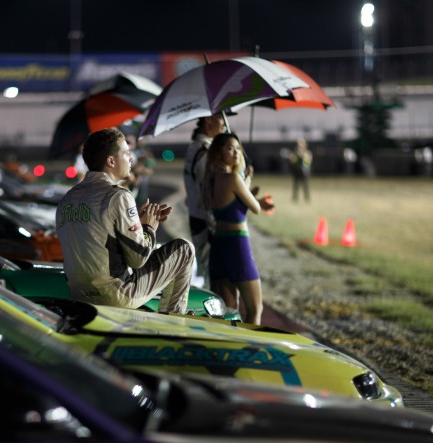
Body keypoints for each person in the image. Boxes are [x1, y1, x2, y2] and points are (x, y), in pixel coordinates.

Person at [56, 128, 194, 314]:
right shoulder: (118, 195)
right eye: (126, 153)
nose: (131, 159)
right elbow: (138, 259)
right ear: (111, 161)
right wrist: (148, 227)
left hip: (79, 294)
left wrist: (134, 220)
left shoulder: (67, 199)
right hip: (115, 293)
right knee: (184, 249)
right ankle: (174, 324)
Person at [203, 132, 273, 324]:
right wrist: (247, 178)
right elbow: (256, 208)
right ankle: (250, 350)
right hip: (237, 244)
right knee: (255, 308)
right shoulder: (234, 178)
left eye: (238, 148)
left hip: (218, 245)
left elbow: (233, 202)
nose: (235, 153)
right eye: (229, 148)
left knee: (227, 312)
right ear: (218, 152)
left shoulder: (209, 180)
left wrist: (246, 186)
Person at [183, 113, 226, 288]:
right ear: (209, 121)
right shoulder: (205, 152)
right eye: (221, 119)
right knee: (213, 276)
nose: (224, 124)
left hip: (197, 218)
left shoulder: (195, 147)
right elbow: (206, 192)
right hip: (206, 222)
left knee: (207, 270)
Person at [288, 137, 312, 202]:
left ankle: (307, 197)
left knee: (305, 185)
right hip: (297, 171)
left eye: (302, 144)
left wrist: (302, 155)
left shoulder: (307, 152)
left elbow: (308, 160)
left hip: (305, 172)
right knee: (295, 185)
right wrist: (293, 157)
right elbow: (292, 161)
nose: (300, 145)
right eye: (299, 144)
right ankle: (295, 197)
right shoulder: (295, 153)